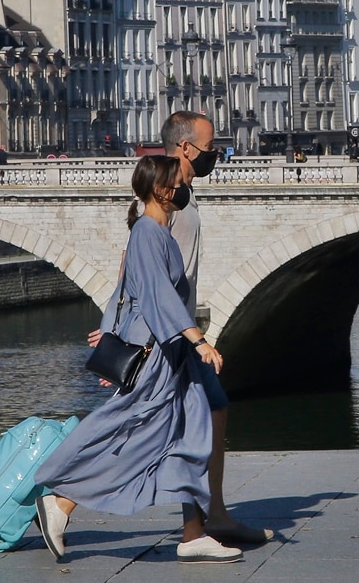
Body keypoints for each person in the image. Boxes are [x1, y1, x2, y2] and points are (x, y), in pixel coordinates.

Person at [35, 155, 241, 565]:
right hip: (161, 360)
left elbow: (128, 288)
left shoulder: (154, 232)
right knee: (137, 434)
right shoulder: (149, 232)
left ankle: (193, 532)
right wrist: (198, 339)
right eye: (175, 183)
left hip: (172, 358)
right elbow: (157, 296)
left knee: (190, 436)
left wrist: (115, 330)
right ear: (162, 191)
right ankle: (61, 501)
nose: (183, 186)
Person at [88, 112, 272, 547]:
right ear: (187, 148)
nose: (215, 155)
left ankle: (209, 518)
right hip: (169, 339)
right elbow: (144, 278)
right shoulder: (174, 202)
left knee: (208, 412)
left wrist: (113, 325)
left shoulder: (175, 195)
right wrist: (119, 334)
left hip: (174, 335)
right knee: (143, 425)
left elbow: (131, 268)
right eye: (210, 148)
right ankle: (60, 499)